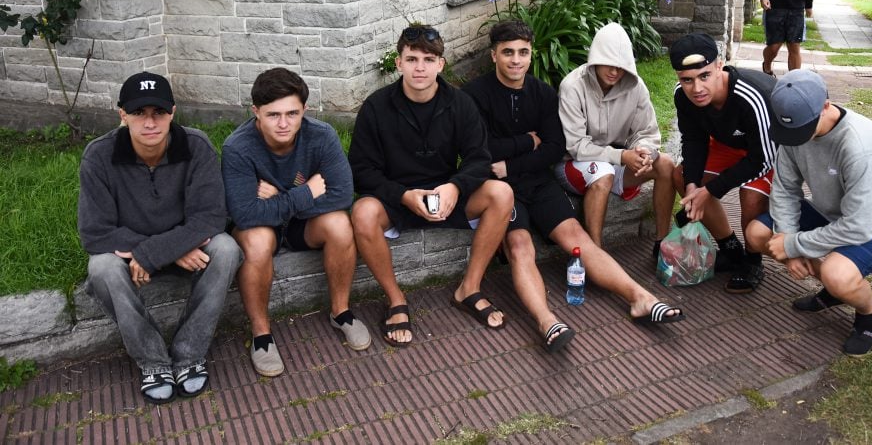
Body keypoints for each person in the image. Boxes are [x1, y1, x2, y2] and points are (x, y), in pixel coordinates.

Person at [464, 21, 685, 343]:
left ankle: (641, 298)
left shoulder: (541, 92)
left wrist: (512, 161)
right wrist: (528, 141)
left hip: (538, 183)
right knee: (519, 246)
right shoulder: (472, 94)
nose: (516, 60)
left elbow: (554, 147)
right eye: (508, 52)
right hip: (499, 191)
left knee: (577, 237)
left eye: (523, 52)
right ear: (493, 55)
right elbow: (478, 149)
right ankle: (546, 320)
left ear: (531, 54)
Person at [78, 72, 242, 404]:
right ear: (122, 114)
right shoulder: (99, 155)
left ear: (173, 112)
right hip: (132, 258)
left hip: (171, 251)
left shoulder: (195, 145)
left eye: (159, 113)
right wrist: (162, 250)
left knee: (226, 248)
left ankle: (189, 354)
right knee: (102, 268)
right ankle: (152, 361)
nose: (150, 122)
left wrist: (159, 251)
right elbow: (95, 231)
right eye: (139, 113)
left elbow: (211, 217)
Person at [348, 25, 512, 347]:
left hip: (446, 195)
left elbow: (480, 158)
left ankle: (470, 288)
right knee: (363, 212)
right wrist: (403, 195)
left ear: (441, 64)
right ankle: (396, 300)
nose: (419, 67)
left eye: (428, 59)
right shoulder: (376, 107)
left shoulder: (461, 104)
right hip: (397, 199)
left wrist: (455, 187)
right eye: (412, 59)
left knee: (501, 193)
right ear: (398, 63)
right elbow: (361, 170)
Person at [748, 70, 872, 355]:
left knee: (838, 274)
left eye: (803, 130)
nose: (796, 139)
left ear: (826, 106)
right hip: (835, 213)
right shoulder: (794, 130)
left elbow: (859, 227)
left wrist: (793, 245)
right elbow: (784, 189)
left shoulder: (861, 147)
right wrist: (788, 241)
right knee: (757, 234)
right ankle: (833, 291)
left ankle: (869, 314)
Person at [222, 68, 370, 378]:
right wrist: (306, 193)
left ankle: (340, 312)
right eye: (273, 115)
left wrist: (281, 196)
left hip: (303, 223)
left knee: (340, 224)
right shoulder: (238, 147)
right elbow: (245, 214)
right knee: (257, 240)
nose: (284, 123)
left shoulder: (322, 135)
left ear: (305, 109)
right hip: (263, 228)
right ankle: (261, 336)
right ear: (256, 113)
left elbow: (342, 196)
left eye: (292, 113)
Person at [670, 33, 778, 293]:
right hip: (729, 145)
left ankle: (753, 261)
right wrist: (694, 186)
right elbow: (693, 140)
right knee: (681, 176)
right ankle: (730, 250)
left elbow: (761, 159)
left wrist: (710, 191)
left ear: (719, 66)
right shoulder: (683, 96)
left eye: (704, 76)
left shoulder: (752, 96)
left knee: (751, 197)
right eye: (687, 80)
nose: (696, 89)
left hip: (769, 150)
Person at [557, 22, 676, 249]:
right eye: (609, 64)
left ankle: (662, 241)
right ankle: (595, 253)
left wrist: (644, 152)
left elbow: (647, 132)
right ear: (595, 59)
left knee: (666, 164)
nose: (615, 72)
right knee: (603, 173)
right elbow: (576, 146)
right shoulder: (572, 86)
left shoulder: (636, 86)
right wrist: (622, 156)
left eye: (621, 66)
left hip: (616, 162)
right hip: (573, 164)